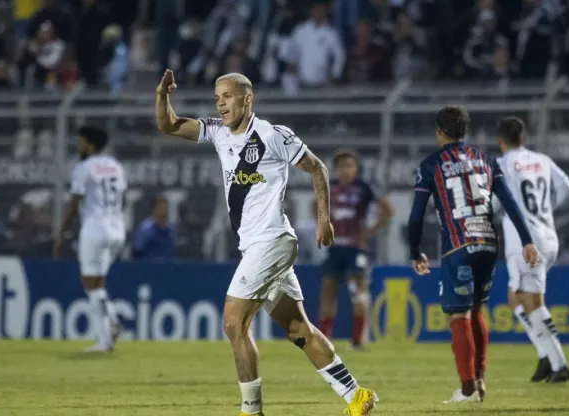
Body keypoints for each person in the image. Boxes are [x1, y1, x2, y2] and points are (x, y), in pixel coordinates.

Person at [155, 69, 378, 416]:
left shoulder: (272, 135)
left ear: (247, 99)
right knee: (297, 328)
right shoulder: (217, 131)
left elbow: (317, 168)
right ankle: (356, 395)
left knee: (233, 321)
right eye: (217, 99)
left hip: (272, 241)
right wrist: (162, 95)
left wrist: (323, 218)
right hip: (257, 246)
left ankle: (251, 411)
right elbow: (168, 125)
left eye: (226, 97)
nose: (221, 104)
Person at [407, 105, 539, 404]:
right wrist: (527, 240)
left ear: (439, 131)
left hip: (458, 245)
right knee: (477, 310)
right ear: (464, 130)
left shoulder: (431, 165)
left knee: (459, 313)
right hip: (489, 243)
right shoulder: (486, 160)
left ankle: (467, 388)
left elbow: (416, 217)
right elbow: (510, 202)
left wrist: (415, 251)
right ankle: (479, 382)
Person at [494, 116, 569, 383]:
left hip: (524, 242)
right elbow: (567, 189)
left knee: (532, 302)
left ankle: (559, 364)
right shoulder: (543, 160)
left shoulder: (502, 164)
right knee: (515, 298)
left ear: (500, 141)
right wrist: (544, 211)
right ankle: (544, 357)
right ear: (524, 138)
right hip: (548, 236)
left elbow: (493, 203)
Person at [53, 125, 127, 353]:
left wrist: (61, 234)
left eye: (81, 142)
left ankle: (106, 336)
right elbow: (123, 198)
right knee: (99, 284)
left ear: (91, 145)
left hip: (95, 229)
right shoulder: (115, 165)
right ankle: (110, 326)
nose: (78, 146)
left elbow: (74, 204)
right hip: (117, 229)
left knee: (89, 284)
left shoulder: (83, 167)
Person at [318, 148, 394, 350]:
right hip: (334, 248)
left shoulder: (364, 187)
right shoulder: (329, 187)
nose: (345, 170)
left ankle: (358, 340)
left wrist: (370, 231)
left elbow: (387, 209)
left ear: (356, 168)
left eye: (349, 166)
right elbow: (315, 207)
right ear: (335, 169)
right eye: (341, 166)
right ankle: (324, 340)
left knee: (358, 292)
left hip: (356, 248)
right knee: (328, 291)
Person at [132, 196, 176, 261]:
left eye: (165, 209)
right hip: (147, 266)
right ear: (154, 210)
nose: (164, 212)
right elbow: (137, 249)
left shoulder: (171, 229)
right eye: (161, 209)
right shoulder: (145, 228)